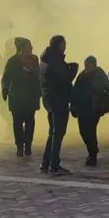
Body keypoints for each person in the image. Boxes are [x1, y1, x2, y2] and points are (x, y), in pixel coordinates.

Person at [38, 35, 78, 175]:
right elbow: (65, 78)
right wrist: (73, 69)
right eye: (64, 44)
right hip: (58, 100)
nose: (65, 46)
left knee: (53, 132)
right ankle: (54, 165)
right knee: (58, 133)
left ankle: (46, 162)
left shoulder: (46, 59)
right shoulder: (54, 60)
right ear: (58, 45)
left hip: (49, 100)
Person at [71, 56, 109, 167]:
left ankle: (93, 154)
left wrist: (107, 105)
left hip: (94, 109)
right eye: (85, 66)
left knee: (90, 131)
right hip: (82, 109)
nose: (86, 68)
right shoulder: (81, 76)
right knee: (83, 132)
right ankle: (92, 150)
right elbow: (75, 91)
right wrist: (73, 106)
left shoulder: (100, 76)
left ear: (94, 65)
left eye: (89, 66)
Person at [1, 37, 41, 157]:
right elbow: (6, 78)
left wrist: (39, 91)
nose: (31, 49)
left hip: (30, 96)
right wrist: (5, 90)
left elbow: (38, 75)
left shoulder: (34, 59)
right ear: (21, 49)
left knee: (30, 122)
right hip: (16, 96)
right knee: (17, 122)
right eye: (29, 47)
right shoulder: (12, 61)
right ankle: (19, 146)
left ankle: (28, 146)